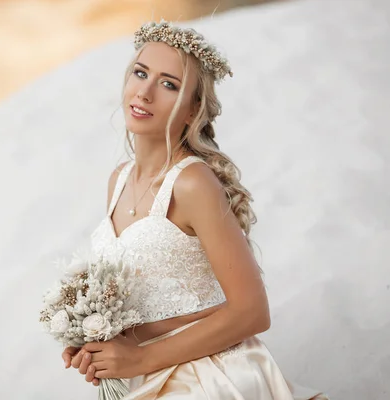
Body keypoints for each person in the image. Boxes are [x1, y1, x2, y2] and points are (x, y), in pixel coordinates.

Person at [61, 21, 328, 399]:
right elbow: (149, 302)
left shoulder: (192, 183)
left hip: (207, 376)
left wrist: (139, 359)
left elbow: (253, 311)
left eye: (169, 84)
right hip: (148, 374)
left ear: (193, 110)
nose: (145, 92)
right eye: (140, 73)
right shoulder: (118, 180)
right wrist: (99, 339)